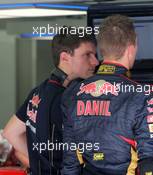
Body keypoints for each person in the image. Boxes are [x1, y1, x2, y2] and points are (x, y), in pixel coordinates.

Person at [61, 15, 153, 175]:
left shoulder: (72, 93)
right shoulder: (142, 94)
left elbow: (70, 162)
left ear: (102, 49)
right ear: (131, 48)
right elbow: (150, 160)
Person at [3, 27, 99, 175]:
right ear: (65, 57)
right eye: (87, 55)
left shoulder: (37, 92)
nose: (95, 61)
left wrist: (38, 162)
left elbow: (11, 132)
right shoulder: (70, 99)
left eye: (95, 54)